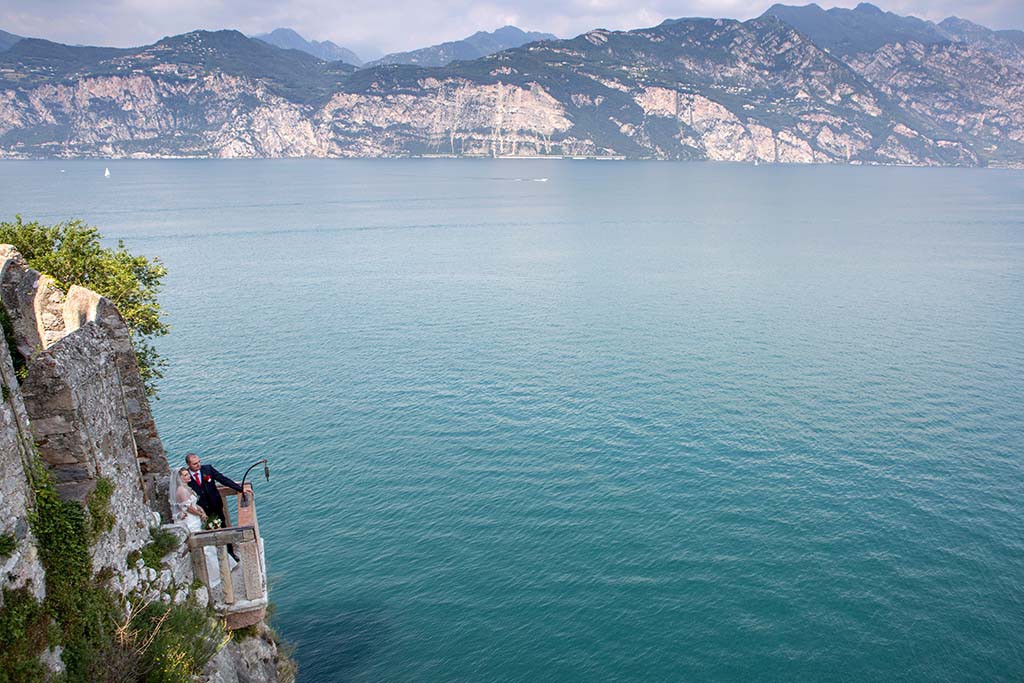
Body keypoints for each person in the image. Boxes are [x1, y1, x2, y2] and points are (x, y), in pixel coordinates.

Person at [171, 467, 234, 587]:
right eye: (185, 475)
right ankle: (213, 575)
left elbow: (194, 504)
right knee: (205, 548)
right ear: (180, 478)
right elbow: (188, 508)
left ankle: (220, 569)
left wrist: (202, 511)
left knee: (207, 546)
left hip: (195, 519)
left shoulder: (187, 488)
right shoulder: (181, 491)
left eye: (187, 474)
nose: (188, 476)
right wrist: (200, 515)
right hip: (190, 521)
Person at [185, 452, 244, 560]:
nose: (198, 465)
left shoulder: (208, 469)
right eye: (194, 464)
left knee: (224, 527)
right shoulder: (186, 476)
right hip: (201, 510)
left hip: (215, 504)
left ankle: (230, 553)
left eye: (199, 462)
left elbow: (223, 479)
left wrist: (240, 488)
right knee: (207, 531)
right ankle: (214, 556)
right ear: (188, 465)